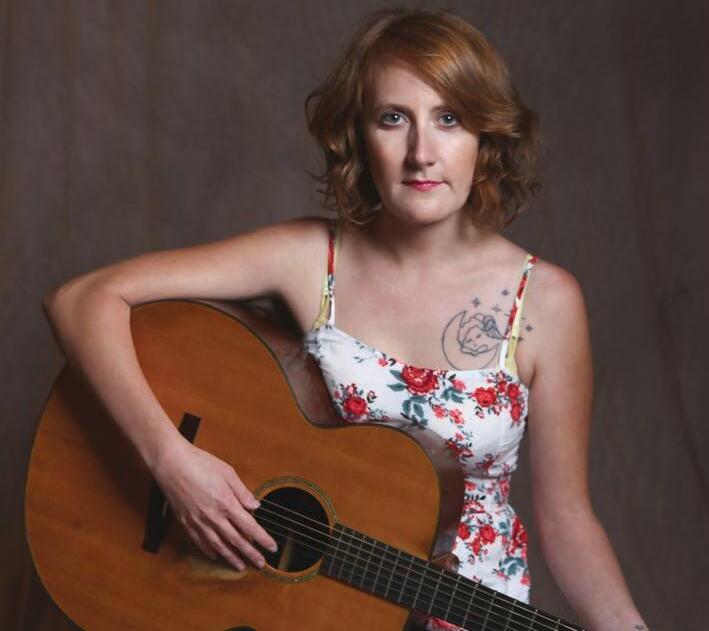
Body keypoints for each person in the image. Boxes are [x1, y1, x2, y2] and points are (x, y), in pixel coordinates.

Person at [42, 7, 649, 631]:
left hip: (471, 611)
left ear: (485, 135)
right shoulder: (309, 260)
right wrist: (172, 463)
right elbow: (81, 300)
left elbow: (567, 518)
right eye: (394, 119)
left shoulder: (546, 302)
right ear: (358, 135)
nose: (422, 153)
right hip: (301, 612)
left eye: (449, 119)